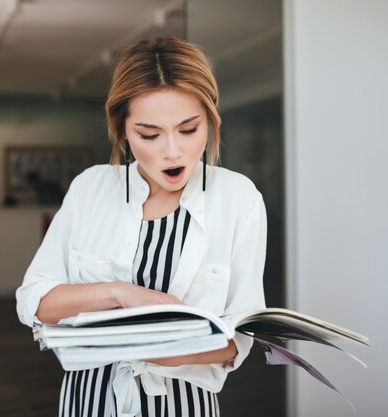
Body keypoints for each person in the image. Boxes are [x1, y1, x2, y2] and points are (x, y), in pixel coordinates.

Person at [16, 37, 266, 417]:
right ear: (123, 131)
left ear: (210, 119)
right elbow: (36, 301)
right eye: (149, 134)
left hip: (184, 407)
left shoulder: (237, 197)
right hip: (89, 404)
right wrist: (123, 295)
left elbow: (238, 340)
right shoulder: (91, 187)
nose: (171, 150)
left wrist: (156, 349)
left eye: (188, 129)